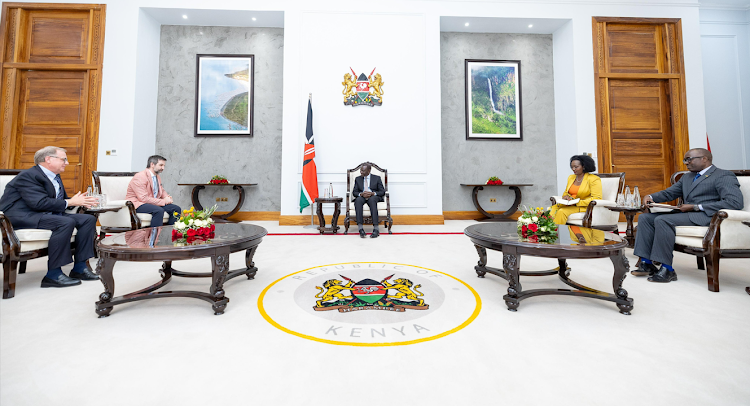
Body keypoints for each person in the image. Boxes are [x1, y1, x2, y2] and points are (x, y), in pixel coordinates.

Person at [632, 148, 743, 283]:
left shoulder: (723, 175)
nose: (686, 163)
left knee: (663, 219)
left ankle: (668, 269)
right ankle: (647, 263)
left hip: (708, 217)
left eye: (689, 159)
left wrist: (696, 207)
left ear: (704, 159)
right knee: (645, 218)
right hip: (687, 214)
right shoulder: (687, 177)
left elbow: (734, 202)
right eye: (685, 160)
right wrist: (650, 196)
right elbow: (669, 193)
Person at [0, 146, 100, 288]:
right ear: (48, 159)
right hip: (20, 216)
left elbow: (59, 201)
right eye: (63, 159)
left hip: (42, 213)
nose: (67, 162)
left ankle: (80, 267)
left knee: (87, 219)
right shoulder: (28, 176)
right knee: (64, 222)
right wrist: (70, 202)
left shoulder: (54, 177)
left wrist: (78, 202)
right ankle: (53, 275)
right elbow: (38, 203)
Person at [126, 155, 181, 228]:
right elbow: (143, 198)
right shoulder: (140, 176)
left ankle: (169, 234)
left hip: (151, 203)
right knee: (158, 210)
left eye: (164, 165)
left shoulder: (157, 176)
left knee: (176, 209)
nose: (163, 168)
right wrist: (164, 201)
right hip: (138, 204)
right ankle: (154, 237)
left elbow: (161, 189)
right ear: (152, 164)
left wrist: (167, 197)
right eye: (161, 165)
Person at [549, 155, 602, 225]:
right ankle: (547, 232)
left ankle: (557, 233)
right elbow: (566, 192)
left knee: (562, 212)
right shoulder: (571, 177)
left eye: (576, 167)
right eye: (572, 167)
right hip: (569, 204)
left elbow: (597, 198)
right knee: (551, 209)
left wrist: (577, 202)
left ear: (584, 166)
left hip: (583, 206)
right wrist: (566, 197)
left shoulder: (593, 179)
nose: (573, 169)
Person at [351, 163, 385, 238]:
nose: (361, 172)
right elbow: (354, 192)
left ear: (369, 171)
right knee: (358, 201)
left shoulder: (377, 178)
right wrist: (361, 194)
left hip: (373, 197)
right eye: (360, 170)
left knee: (372, 200)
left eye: (363, 171)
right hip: (362, 197)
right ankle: (360, 229)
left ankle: (376, 229)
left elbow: (382, 192)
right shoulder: (358, 179)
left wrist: (373, 193)